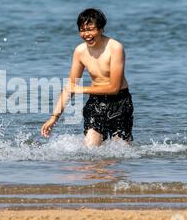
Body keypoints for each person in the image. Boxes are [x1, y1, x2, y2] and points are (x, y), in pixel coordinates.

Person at [41, 8, 134, 147]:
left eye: (91, 29)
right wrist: (53, 118)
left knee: (120, 152)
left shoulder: (115, 48)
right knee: (90, 150)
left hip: (119, 103)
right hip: (95, 102)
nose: (86, 34)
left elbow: (114, 88)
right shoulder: (80, 51)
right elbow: (70, 87)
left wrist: (82, 89)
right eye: (82, 30)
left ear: (101, 28)